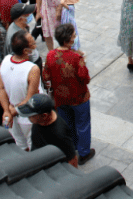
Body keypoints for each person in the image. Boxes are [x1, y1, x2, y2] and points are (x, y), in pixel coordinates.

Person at [42, 23, 94, 164]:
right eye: (73, 36)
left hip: (61, 98)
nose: (75, 37)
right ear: (67, 40)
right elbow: (86, 78)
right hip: (79, 98)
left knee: (68, 124)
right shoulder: (76, 58)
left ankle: (72, 148)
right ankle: (84, 152)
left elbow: (46, 76)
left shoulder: (50, 55)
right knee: (83, 125)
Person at [0, 32, 43, 149]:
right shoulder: (32, 69)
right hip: (28, 116)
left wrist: (7, 111)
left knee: (19, 143)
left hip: (12, 111)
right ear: (25, 51)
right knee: (33, 144)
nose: (35, 44)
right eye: (32, 43)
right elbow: (30, 99)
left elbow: (1, 88)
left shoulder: (5, 60)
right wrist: (13, 111)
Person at [16, 93, 81, 166]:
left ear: (44, 116)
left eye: (31, 115)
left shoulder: (60, 134)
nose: (28, 117)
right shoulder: (40, 119)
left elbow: (72, 159)